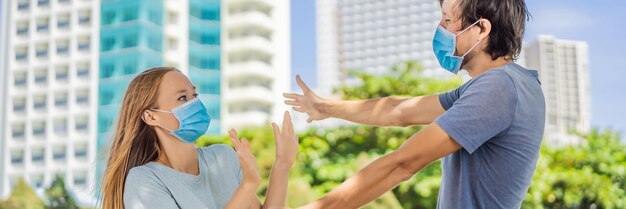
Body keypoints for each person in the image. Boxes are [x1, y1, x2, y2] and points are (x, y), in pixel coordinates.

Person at [284, 0, 544, 208]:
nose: (440, 27)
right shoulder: (510, 84)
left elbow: (402, 164)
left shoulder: (499, 87)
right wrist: (326, 108)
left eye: (449, 20)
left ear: (482, 29)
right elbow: (398, 111)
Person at [100, 67, 299, 209]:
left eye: (194, 95)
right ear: (151, 116)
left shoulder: (223, 157)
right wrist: (248, 186)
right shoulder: (144, 180)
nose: (194, 104)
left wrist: (282, 164)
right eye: (182, 98)